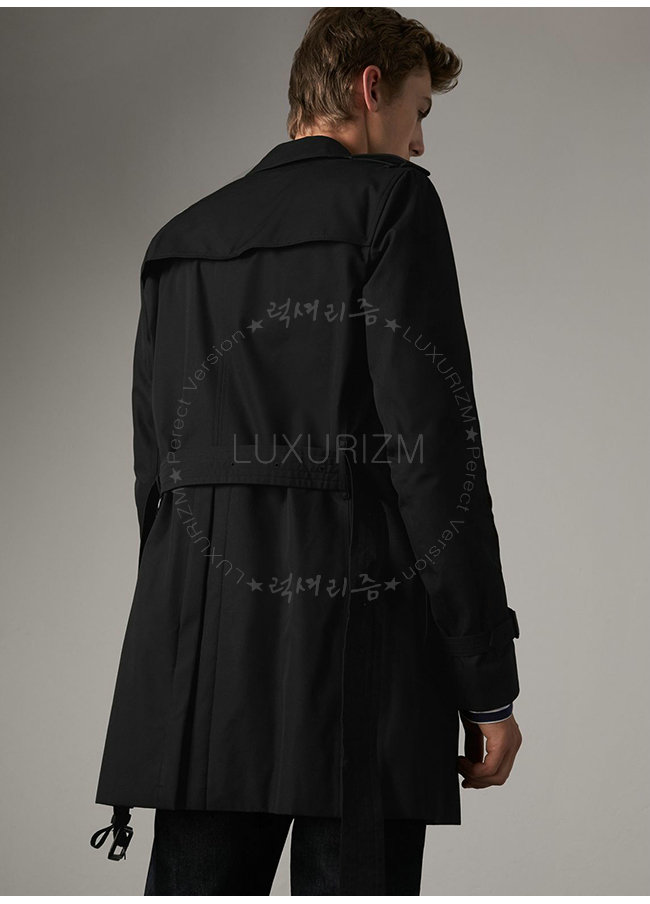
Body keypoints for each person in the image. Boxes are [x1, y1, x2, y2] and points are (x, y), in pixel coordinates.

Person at [90, 7, 522, 895]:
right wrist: (487, 685)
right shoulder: (391, 202)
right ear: (370, 89)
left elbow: (155, 479)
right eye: (418, 113)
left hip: (201, 668)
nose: (419, 144)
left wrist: (182, 644)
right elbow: (436, 460)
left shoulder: (178, 241)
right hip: (359, 662)